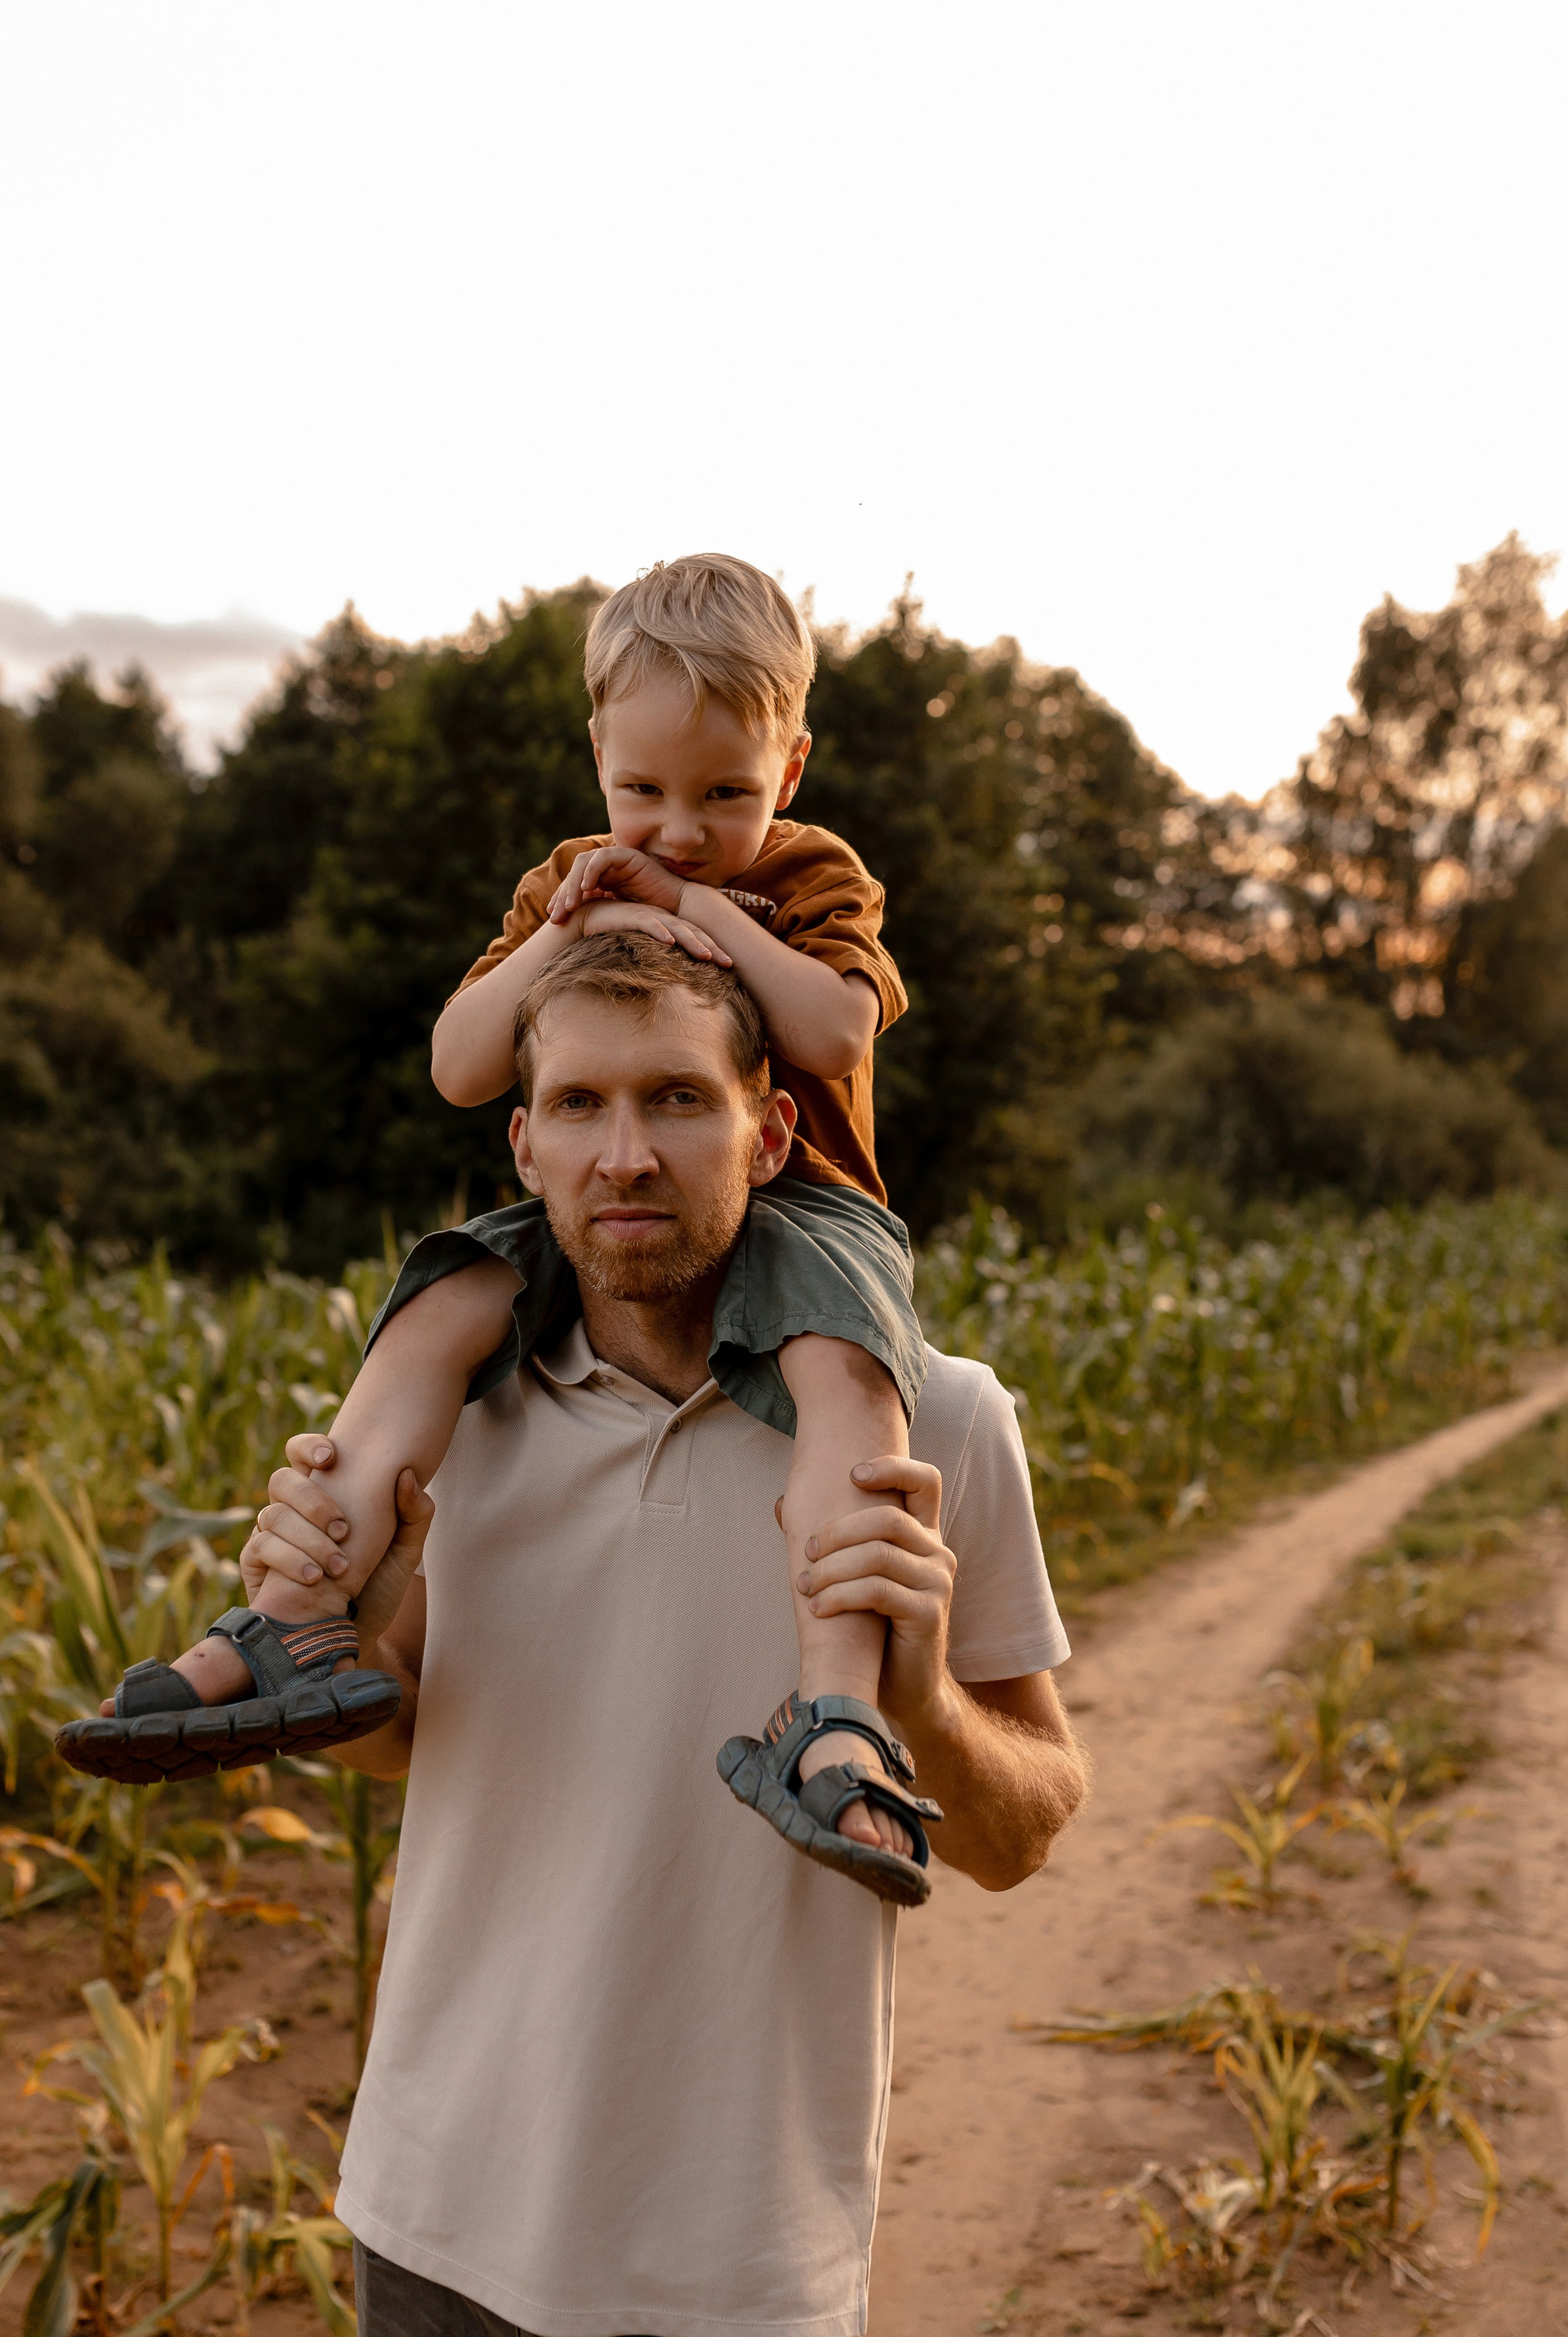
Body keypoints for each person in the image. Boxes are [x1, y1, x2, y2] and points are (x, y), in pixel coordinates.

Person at [237, 940, 1087, 2337]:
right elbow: (394, 1739)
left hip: (723, 2266)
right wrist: (340, 1625)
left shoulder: (932, 1420)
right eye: (581, 1103)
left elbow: (1027, 1828)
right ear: (525, 1142)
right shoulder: (454, 1407)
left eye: (679, 1100)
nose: (626, 1152)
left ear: (770, 1132)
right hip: (430, 2220)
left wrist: (910, 1698)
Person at [60, 554, 943, 1901]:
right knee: (439, 1308)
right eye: (639, 792)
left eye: (724, 794)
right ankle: (298, 1618)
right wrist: (565, 927)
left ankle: (835, 1710)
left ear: (792, 767)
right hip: (604, 1204)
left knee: (843, 1388)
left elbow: (828, 1028)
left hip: (800, 1202)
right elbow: (463, 1064)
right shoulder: (570, 882)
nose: (678, 830)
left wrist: (704, 918)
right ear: (596, 758)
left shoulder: (810, 877)